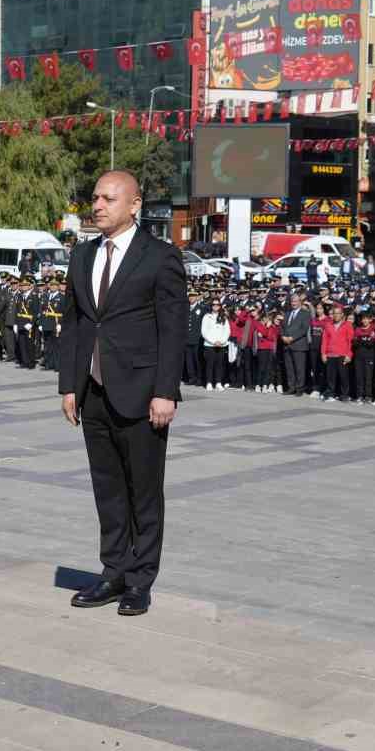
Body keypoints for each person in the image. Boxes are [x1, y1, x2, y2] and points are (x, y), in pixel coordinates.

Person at [58, 170, 185, 618]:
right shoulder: (83, 256)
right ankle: (112, 572)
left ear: (134, 205)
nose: (97, 205)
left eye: (109, 198)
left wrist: (165, 392)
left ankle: (139, 581)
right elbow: (75, 323)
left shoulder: (160, 257)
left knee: (144, 493)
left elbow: (172, 330)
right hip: (93, 392)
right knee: (108, 490)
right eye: (94, 197)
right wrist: (69, 385)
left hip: (142, 392)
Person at [320, 305, 353, 402]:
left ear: (342, 314)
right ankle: (331, 394)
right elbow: (324, 340)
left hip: (342, 355)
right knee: (330, 377)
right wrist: (323, 353)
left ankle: (344, 395)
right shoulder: (328, 324)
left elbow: (350, 341)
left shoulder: (348, 325)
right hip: (330, 354)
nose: (336, 315)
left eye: (338, 313)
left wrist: (349, 354)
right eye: (334, 313)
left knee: (343, 377)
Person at [279, 292, 310, 396]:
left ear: (300, 302)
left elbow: (304, 329)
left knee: (299, 368)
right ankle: (291, 387)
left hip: (299, 345)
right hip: (287, 345)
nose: (294, 303)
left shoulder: (305, 313)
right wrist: (283, 336)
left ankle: (299, 388)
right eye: (292, 301)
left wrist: (292, 338)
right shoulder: (287, 313)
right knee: (289, 368)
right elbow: (282, 327)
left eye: (296, 301)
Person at [201, 300, 230, 390]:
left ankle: (218, 382)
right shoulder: (207, 316)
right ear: (211, 306)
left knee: (219, 364)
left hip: (221, 344)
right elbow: (204, 331)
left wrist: (222, 341)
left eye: (218, 305)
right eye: (214, 304)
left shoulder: (223, 317)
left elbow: (227, 330)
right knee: (210, 364)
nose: (216, 306)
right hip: (210, 345)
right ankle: (209, 382)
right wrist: (213, 342)